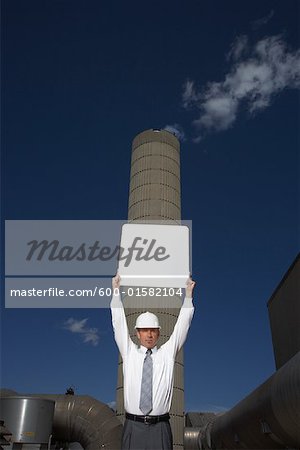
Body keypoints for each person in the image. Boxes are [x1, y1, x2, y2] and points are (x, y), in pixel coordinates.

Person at [110, 273, 196, 450]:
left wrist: (188, 296)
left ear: (158, 333)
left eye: (153, 330)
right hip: (133, 426)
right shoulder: (129, 353)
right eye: (144, 330)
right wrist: (116, 292)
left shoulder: (167, 354)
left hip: (161, 428)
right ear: (137, 333)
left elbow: (182, 326)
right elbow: (118, 323)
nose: (149, 334)